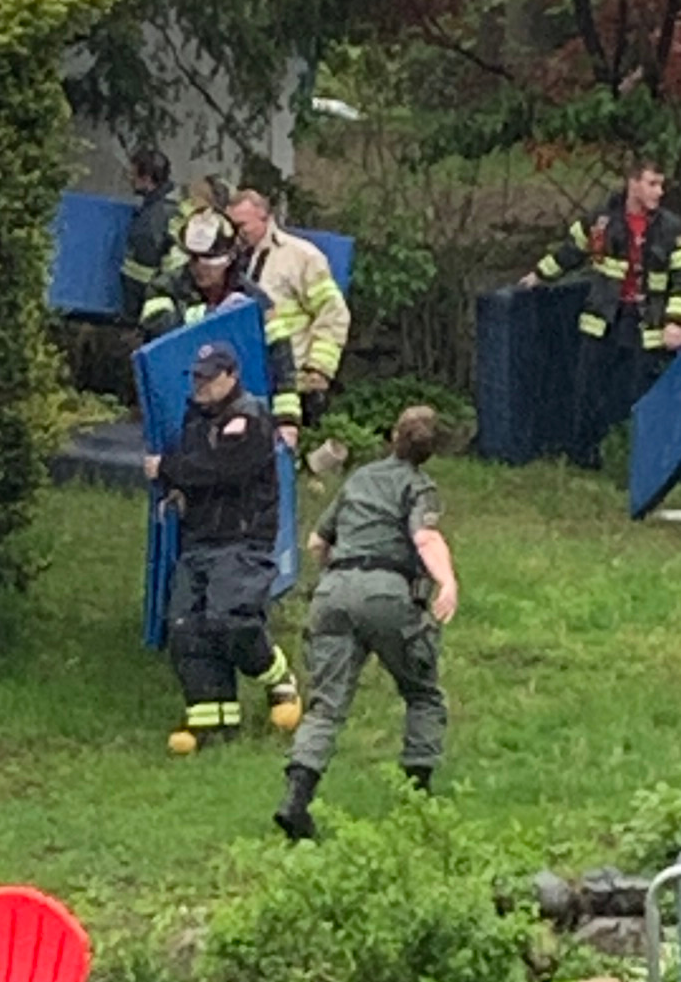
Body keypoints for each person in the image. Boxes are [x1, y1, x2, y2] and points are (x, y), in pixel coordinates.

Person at [275, 405, 458, 841]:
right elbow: (425, 536)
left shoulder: (359, 479)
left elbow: (317, 542)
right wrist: (447, 582)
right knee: (422, 692)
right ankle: (417, 797)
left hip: (333, 593)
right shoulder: (418, 486)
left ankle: (296, 800)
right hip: (388, 594)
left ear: (393, 436)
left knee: (326, 705)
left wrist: (338, 575)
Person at [148, 336, 301, 750]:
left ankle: (278, 676)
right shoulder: (193, 420)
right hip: (199, 539)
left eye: (209, 377)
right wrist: (178, 489)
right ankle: (213, 722)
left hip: (242, 539)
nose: (200, 385)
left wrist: (167, 469)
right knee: (186, 627)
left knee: (232, 621)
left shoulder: (249, 417)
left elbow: (221, 470)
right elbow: (197, 473)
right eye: (197, 377)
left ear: (231, 376)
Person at [533, 154, 681, 470]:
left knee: (641, 392)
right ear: (633, 183)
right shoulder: (601, 220)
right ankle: (583, 455)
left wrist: (676, 322)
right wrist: (538, 276)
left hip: (647, 322)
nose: (659, 192)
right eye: (652, 184)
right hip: (604, 318)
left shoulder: (671, 229)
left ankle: (646, 461)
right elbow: (570, 251)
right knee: (588, 389)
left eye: (661, 185)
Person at [146, 209, 305, 432]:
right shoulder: (164, 289)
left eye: (209, 260)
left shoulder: (253, 300)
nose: (199, 268)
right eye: (193, 258)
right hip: (181, 408)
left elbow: (281, 358)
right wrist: (216, 315)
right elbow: (161, 334)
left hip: (241, 408)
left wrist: (287, 420)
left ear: (229, 258)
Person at [225, 187, 352, 433]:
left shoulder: (301, 257)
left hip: (291, 381)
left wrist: (318, 369)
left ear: (265, 218)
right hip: (245, 380)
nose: (235, 234)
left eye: (241, 226)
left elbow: (333, 313)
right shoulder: (226, 261)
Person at [117, 144, 178, 331]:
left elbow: (139, 275)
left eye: (133, 174)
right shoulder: (171, 205)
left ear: (147, 179)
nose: (130, 179)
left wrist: (130, 316)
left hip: (153, 305)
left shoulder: (152, 219)